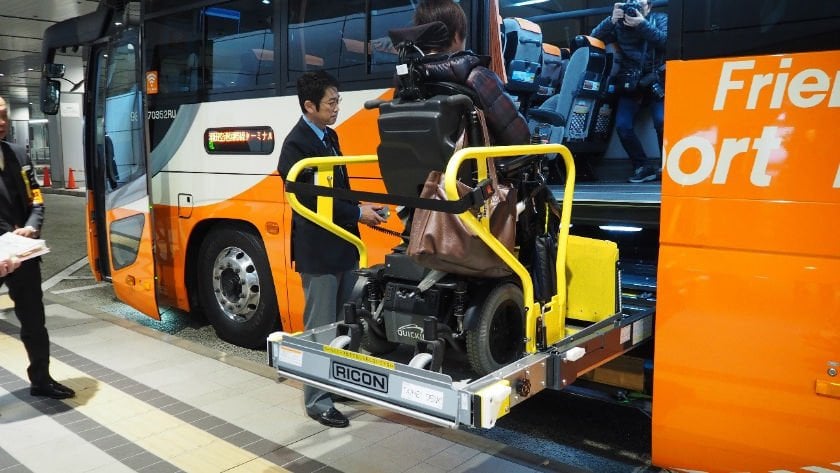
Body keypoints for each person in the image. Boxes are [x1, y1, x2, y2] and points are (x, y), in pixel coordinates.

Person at [277, 71, 386, 428]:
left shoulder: (330, 136)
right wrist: (358, 213)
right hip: (320, 252)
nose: (338, 108)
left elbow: (341, 187)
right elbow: (312, 198)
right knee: (321, 328)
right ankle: (317, 399)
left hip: (344, 246)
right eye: (332, 102)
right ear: (309, 106)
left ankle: (338, 383)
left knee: (345, 323)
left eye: (338, 100)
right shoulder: (296, 146)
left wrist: (365, 210)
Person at [0, 96, 75, 400]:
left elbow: (36, 198)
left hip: (22, 253)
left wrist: (31, 226)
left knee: (34, 321)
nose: (1, 122)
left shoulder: (18, 154)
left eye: (4, 116)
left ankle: (41, 380)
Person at [411, 0, 530, 146]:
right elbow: (519, 138)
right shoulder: (477, 77)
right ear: (456, 36)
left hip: (421, 168)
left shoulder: (408, 81)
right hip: (476, 167)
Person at [592, 1, 668, 183]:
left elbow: (666, 42)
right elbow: (595, 38)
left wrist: (642, 24)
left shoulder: (660, 19)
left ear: (649, 7)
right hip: (631, 82)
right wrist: (611, 20)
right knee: (623, 125)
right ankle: (642, 166)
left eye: (639, 4)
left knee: (662, 121)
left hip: (656, 79)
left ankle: (666, 166)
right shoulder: (618, 24)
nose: (632, 8)